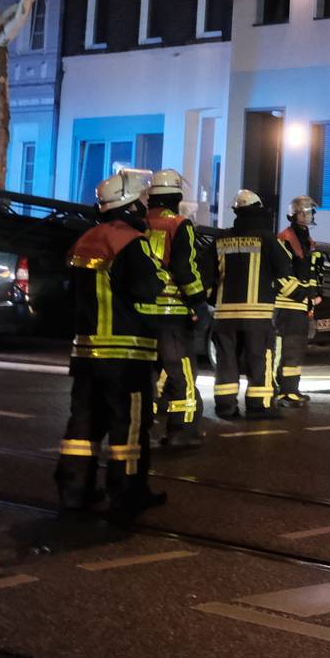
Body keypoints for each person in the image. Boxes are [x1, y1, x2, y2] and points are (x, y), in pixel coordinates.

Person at [56, 170, 167, 513]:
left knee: (83, 426)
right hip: (126, 356)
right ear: (130, 206)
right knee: (128, 429)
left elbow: (69, 294)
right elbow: (148, 288)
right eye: (142, 204)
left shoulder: (84, 241)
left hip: (87, 353)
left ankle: (75, 491)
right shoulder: (131, 243)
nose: (145, 211)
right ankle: (127, 494)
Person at [212, 190, 292, 420]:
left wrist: (215, 301)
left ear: (236, 212)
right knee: (259, 359)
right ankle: (259, 406)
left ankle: (225, 407)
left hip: (224, 316)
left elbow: (207, 277)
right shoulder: (267, 239)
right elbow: (284, 270)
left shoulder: (221, 239)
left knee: (226, 363)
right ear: (259, 210)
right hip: (258, 315)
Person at [142, 169, 208, 449]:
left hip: (141, 314)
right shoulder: (180, 225)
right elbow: (185, 269)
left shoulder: (136, 223)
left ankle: (141, 427)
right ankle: (182, 430)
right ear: (177, 197)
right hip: (171, 315)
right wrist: (199, 303)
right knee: (182, 374)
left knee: (148, 374)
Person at [274, 196, 325, 407]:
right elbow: (282, 273)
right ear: (300, 214)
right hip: (287, 305)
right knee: (285, 350)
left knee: (294, 350)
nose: (312, 216)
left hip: (300, 305)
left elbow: (309, 272)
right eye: (309, 212)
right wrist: (303, 293)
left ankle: (290, 390)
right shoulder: (286, 238)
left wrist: (314, 293)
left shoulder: (306, 240)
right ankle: (282, 390)